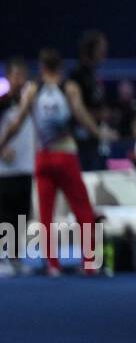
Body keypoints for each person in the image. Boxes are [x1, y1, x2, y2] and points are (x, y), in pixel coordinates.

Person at [0, 49, 103, 276]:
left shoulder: (33, 90)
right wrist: (99, 133)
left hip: (43, 158)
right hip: (65, 156)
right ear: (61, 67)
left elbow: (17, 122)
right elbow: (82, 116)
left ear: (41, 67)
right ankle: (89, 262)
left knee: (46, 214)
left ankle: (52, 264)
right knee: (82, 208)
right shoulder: (70, 88)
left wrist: (3, 142)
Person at [0, 57, 35, 277]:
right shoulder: (2, 103)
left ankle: (15, 258)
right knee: (5, 216)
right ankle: (2, 256)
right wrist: (2, 149)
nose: (20, 80)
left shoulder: (29, 104)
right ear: (9, 77)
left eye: (23, 75)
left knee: (22, 216)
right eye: (16, 76)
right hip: (5, 171)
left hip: (25, 167)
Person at [68, 30, 113, 172]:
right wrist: (98, 121)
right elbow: (76, 110)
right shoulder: (77, 76)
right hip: (82, 142)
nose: (104, 53)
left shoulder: (94, 75)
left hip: (96, 141)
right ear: (91, 50)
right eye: (101, 49)